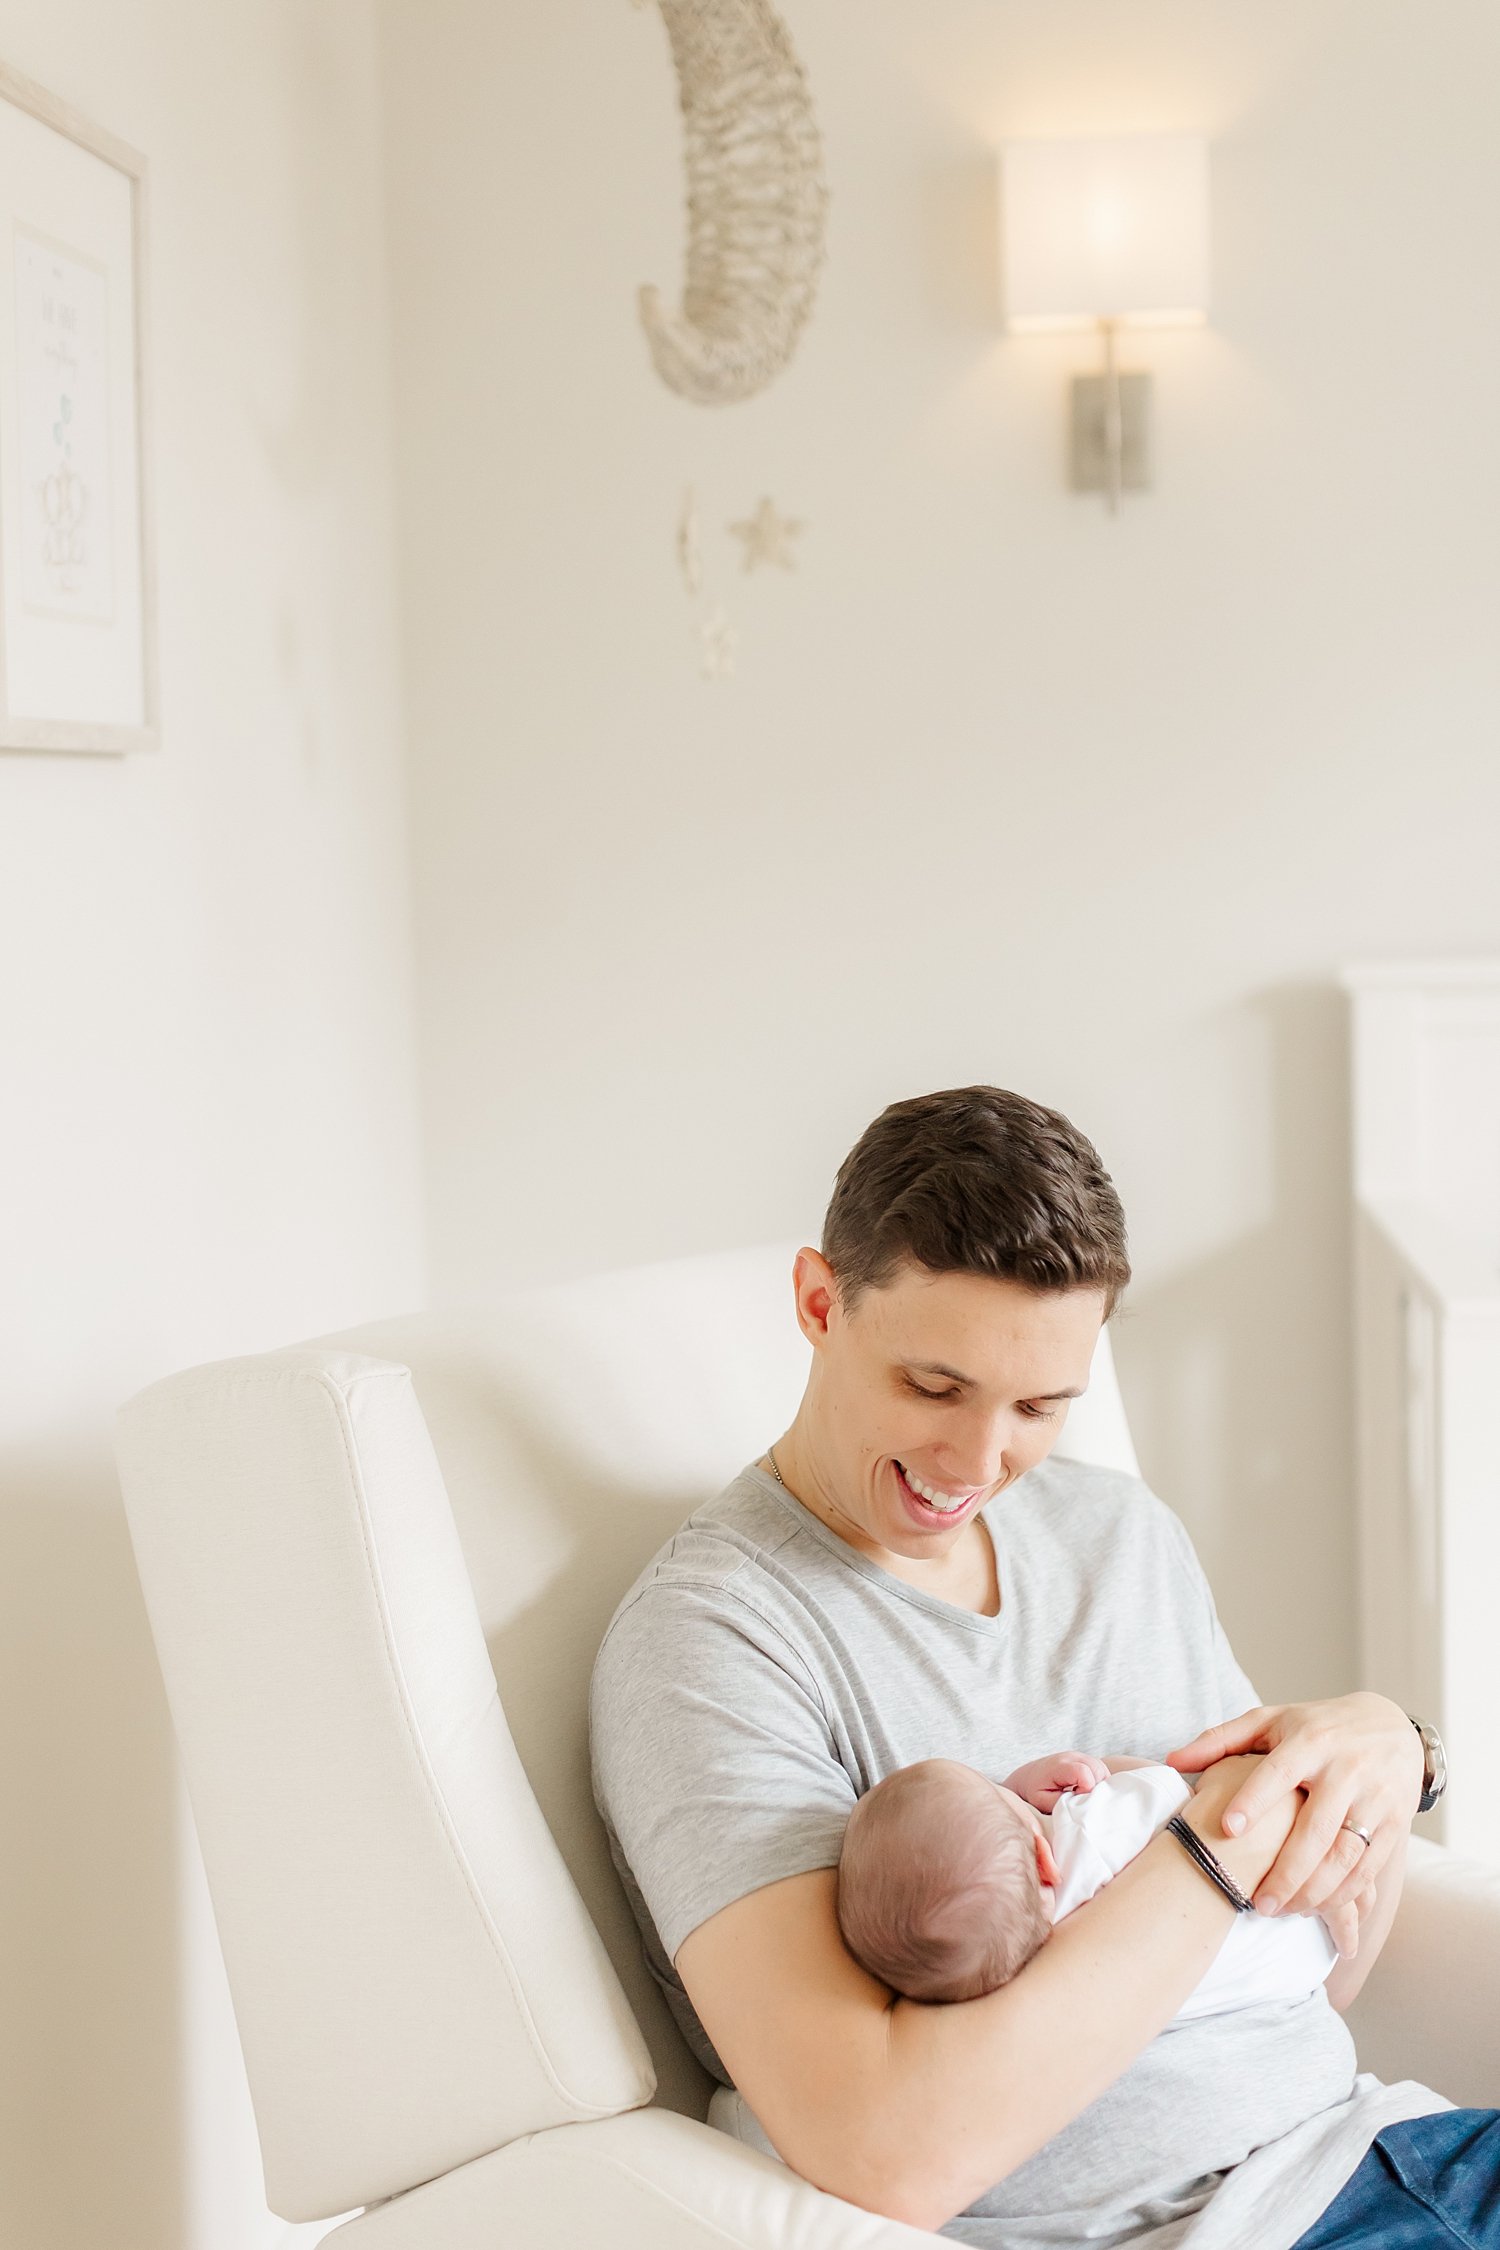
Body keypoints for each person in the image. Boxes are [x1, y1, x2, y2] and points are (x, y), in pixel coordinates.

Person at [589, 1086, 1486, 2248]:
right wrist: (1206, 1846)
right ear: (820, 1303)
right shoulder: (714, 1642)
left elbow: (1319, 1971)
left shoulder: (1119, 1534)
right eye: (933, 1387)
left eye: (1040, 1407)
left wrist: (1385, 1749)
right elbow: (884, 2148)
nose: (977, 1458)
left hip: (1389, 2148)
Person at [835, 1750, 1337, 2015]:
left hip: (1278, 1981)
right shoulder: (1087, 1831)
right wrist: (1099, 1773)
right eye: (998, 1792)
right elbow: (1171, 1786)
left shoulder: (1019, 1966)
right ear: (1041, 1855)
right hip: (1299, 1921)